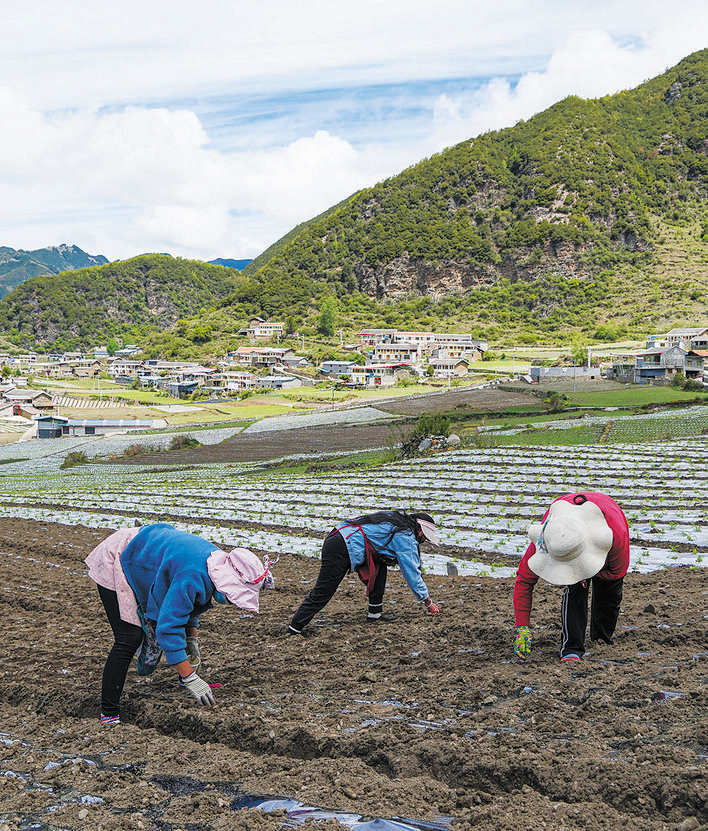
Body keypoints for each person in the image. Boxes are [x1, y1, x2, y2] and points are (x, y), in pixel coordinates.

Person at [85, 522, 276, 724]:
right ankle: (109, 712)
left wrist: (191, 638)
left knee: (171, 628)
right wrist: (190, 677)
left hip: (149, 552)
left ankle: (184, 677)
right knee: (129, 638)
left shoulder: (214, 565)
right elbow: (167, 629)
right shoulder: (193, 574)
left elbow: (190, 604)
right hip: (122, 555)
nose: (231, 602)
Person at [512, 492, 629, 663]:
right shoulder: (550, 535)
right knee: (575, 589)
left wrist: (591, 571)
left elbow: (616, 574)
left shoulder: (615, 535)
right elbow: (524, 579)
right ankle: (571, 648)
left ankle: (601, 639)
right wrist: (522, 627)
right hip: (569, 522)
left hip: (609, 517)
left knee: (608, 592)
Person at [288, 510, 440, 635]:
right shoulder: (405, 536)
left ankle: (375, 614)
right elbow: (411, 572)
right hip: (341, 546)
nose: (422, 539)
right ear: (419, 530)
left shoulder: (397, 522)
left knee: (380, 567)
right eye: (424, 536)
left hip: (339, 536)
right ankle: (295, 627)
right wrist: (427, 601)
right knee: (323, 591)